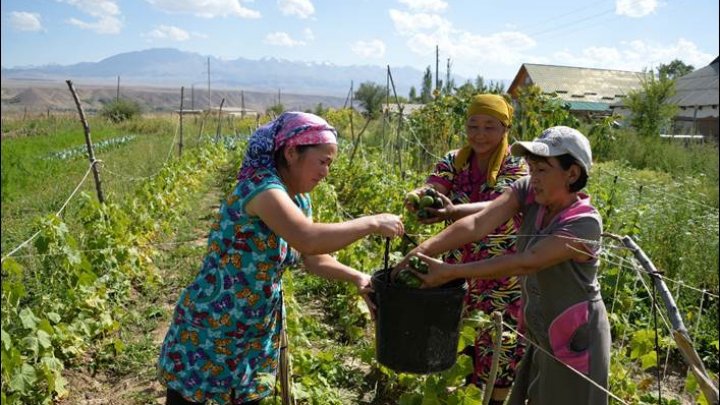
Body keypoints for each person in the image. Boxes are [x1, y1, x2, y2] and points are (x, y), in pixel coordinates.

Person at [157, 112, 404, 404]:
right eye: (322, 161)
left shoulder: (297, 198)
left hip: (252, 332)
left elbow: (311, 256)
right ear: (290, 152)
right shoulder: (262, 189)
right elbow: (308, 237)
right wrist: (372, 223)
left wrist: (357, 276)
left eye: (331, 164)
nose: (326, 172)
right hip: (212, 330)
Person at [401, 126, 610, 405]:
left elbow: (527, 262)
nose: (532, 177)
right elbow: (479, 222)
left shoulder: (584, 223)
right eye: (531, 168)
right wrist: (421, 250)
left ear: (572, 174)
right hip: (541, 329)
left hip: (576, 337)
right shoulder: (531, 193)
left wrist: (449, 272)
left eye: (542, 170)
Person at [404, 93, 527, 403]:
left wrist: (451, 211)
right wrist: (421, 196)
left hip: (502, 276)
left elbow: (497, 207)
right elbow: (435, 189)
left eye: (490, 126)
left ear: (505, 128)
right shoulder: (453, 160)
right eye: (473, 125)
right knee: (461, 348)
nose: (480, 134)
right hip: (455, 273)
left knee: (499, 351)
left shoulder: (517, 166)